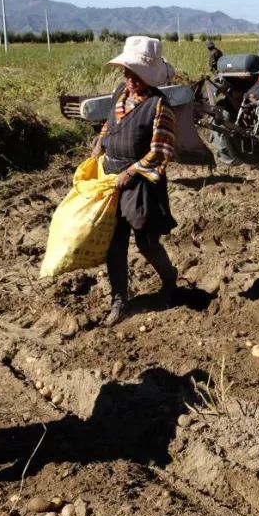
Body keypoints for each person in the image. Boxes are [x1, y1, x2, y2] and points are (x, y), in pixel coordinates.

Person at [90, 36, 179, 327]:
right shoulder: (120, 92)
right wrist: (98, 147)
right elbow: (110, 124)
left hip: (141, 183)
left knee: (146, 241)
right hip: (112, 178)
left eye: (134, 74)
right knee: (115, 243)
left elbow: (161, 152)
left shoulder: (158, 106)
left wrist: (131, 173)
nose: (128, 78)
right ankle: (119, 300)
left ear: (147, 76)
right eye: (126, 72)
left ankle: (170, 279)